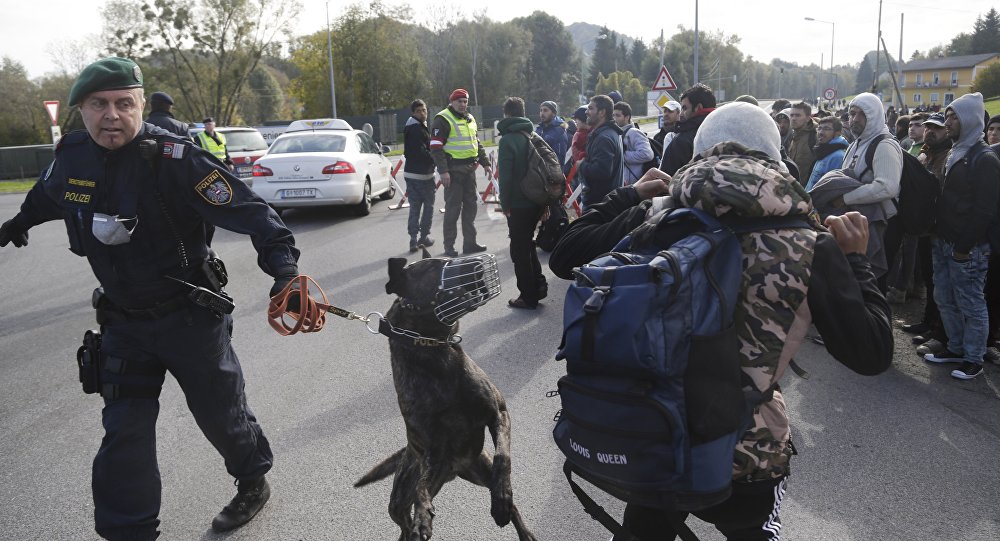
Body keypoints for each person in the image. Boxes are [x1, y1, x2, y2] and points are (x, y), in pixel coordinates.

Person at [549, 101, 893, 540]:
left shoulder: (659, 215)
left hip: (654, 429)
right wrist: (857, 263)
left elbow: (565, 255)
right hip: (745, 450)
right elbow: (872, 352)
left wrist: (630, 193)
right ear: (775, 157)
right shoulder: (810, 242)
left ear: (699, 153)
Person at [0, 57, 300, 540]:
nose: (111, 115)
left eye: (124, 103)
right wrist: (17, 224)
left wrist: (283, 271)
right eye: (99, 104)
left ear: (141, 105)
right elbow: (46, 195)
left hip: (190, 320)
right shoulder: (73, 155)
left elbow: (252, 211)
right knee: (124, 434)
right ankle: (130, 532)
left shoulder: (177, 160)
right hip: (123, 326)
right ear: (81, 110)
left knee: (221, 417)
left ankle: (252, 480)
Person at [923, 92, 1000, 380]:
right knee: (944, 297)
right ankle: (955, 347)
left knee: (971, 302)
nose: (948, 121)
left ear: (969, 120)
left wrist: (964, 246)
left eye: (954, 116)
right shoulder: (956, 151)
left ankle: (973, 358)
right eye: (948, 115)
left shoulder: (984, 158)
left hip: (967, 247)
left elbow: (984, 210)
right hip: (942, 240)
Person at [835, 92, 904, 281]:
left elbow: (887, 186)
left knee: (874, 283)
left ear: (874, 116)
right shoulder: (855, 144)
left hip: (883, 225)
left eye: (861, 114)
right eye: (852, 113)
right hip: (860, 221)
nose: (854, 119)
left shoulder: (884, 144)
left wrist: (845, 199)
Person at [497, 97, 548, 309]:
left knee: (519, 250)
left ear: (507, 114)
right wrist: (546, 203)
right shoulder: (534, 135)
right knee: (528, 245)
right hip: (537, 201)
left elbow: (506, 178)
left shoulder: (507, 140)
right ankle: (539, 286)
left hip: (519, 204)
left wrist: (505, 203)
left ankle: (528, 297)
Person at [429, 88, 492, 257]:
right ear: (452, 102)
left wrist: (485, 163)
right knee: (452, 210)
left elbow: (476, 143)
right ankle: (449, 247)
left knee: (470, 209)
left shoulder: (470, 119)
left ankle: (470, 244)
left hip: (469, 170)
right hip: (453, 172)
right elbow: (435, 148)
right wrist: (443, 171)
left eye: (465, 101)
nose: (463, 104)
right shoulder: (442, 119)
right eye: (459, 101)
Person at [575, 94, 624, 210]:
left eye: (590, 108)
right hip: (602, 203)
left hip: (599, 206)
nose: (586, 112)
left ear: (602, 112)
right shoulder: (605, 133)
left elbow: (602, 171)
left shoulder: (604, 138)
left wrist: (581, 165)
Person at [402, 99, 436, 253]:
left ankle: (414, 239)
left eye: (425, 110)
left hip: (412, 174)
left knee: (415, 208)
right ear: (413, 113)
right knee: (427, 207)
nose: (423, 113)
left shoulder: (412, 127)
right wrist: (435, 158)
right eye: (419, 111)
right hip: (422, 175)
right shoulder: (417, 129)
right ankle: (422, 238)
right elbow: (421, 151)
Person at [659, 83, 716, 175]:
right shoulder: (727, 132)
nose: (681, 114)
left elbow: (664, 180)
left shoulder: (682, 141)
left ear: (698, 108)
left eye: (684, 108)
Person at [613, 101, 654, 185]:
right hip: (624, 183)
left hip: (635, 183)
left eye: (618, 115)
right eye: (613, 115)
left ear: (627, 117)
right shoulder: (618, 133)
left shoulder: (634, 132)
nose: (614, 118)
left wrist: (622, 155)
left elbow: (647, 154)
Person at [805, 115, 849, 191]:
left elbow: (832, 187)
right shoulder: (823, 150)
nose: (821, 132)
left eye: (826, 129)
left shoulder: (838, 156)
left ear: (837, 133)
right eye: (819, 128)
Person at [788, 102, 817, 184]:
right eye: (791, 115)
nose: (793, 118)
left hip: (809, 190)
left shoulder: (815, 136)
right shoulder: (794, 135)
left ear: (808, 118)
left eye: (798, 115)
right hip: (796, 188)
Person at [536, 100, 569, 168]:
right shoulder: (539, 129)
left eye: (545, 110)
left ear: (553, 113)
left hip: (551, 173)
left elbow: (559, 159)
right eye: (541, 110)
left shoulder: (559, 131)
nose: (542, 113)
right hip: (538, 172)